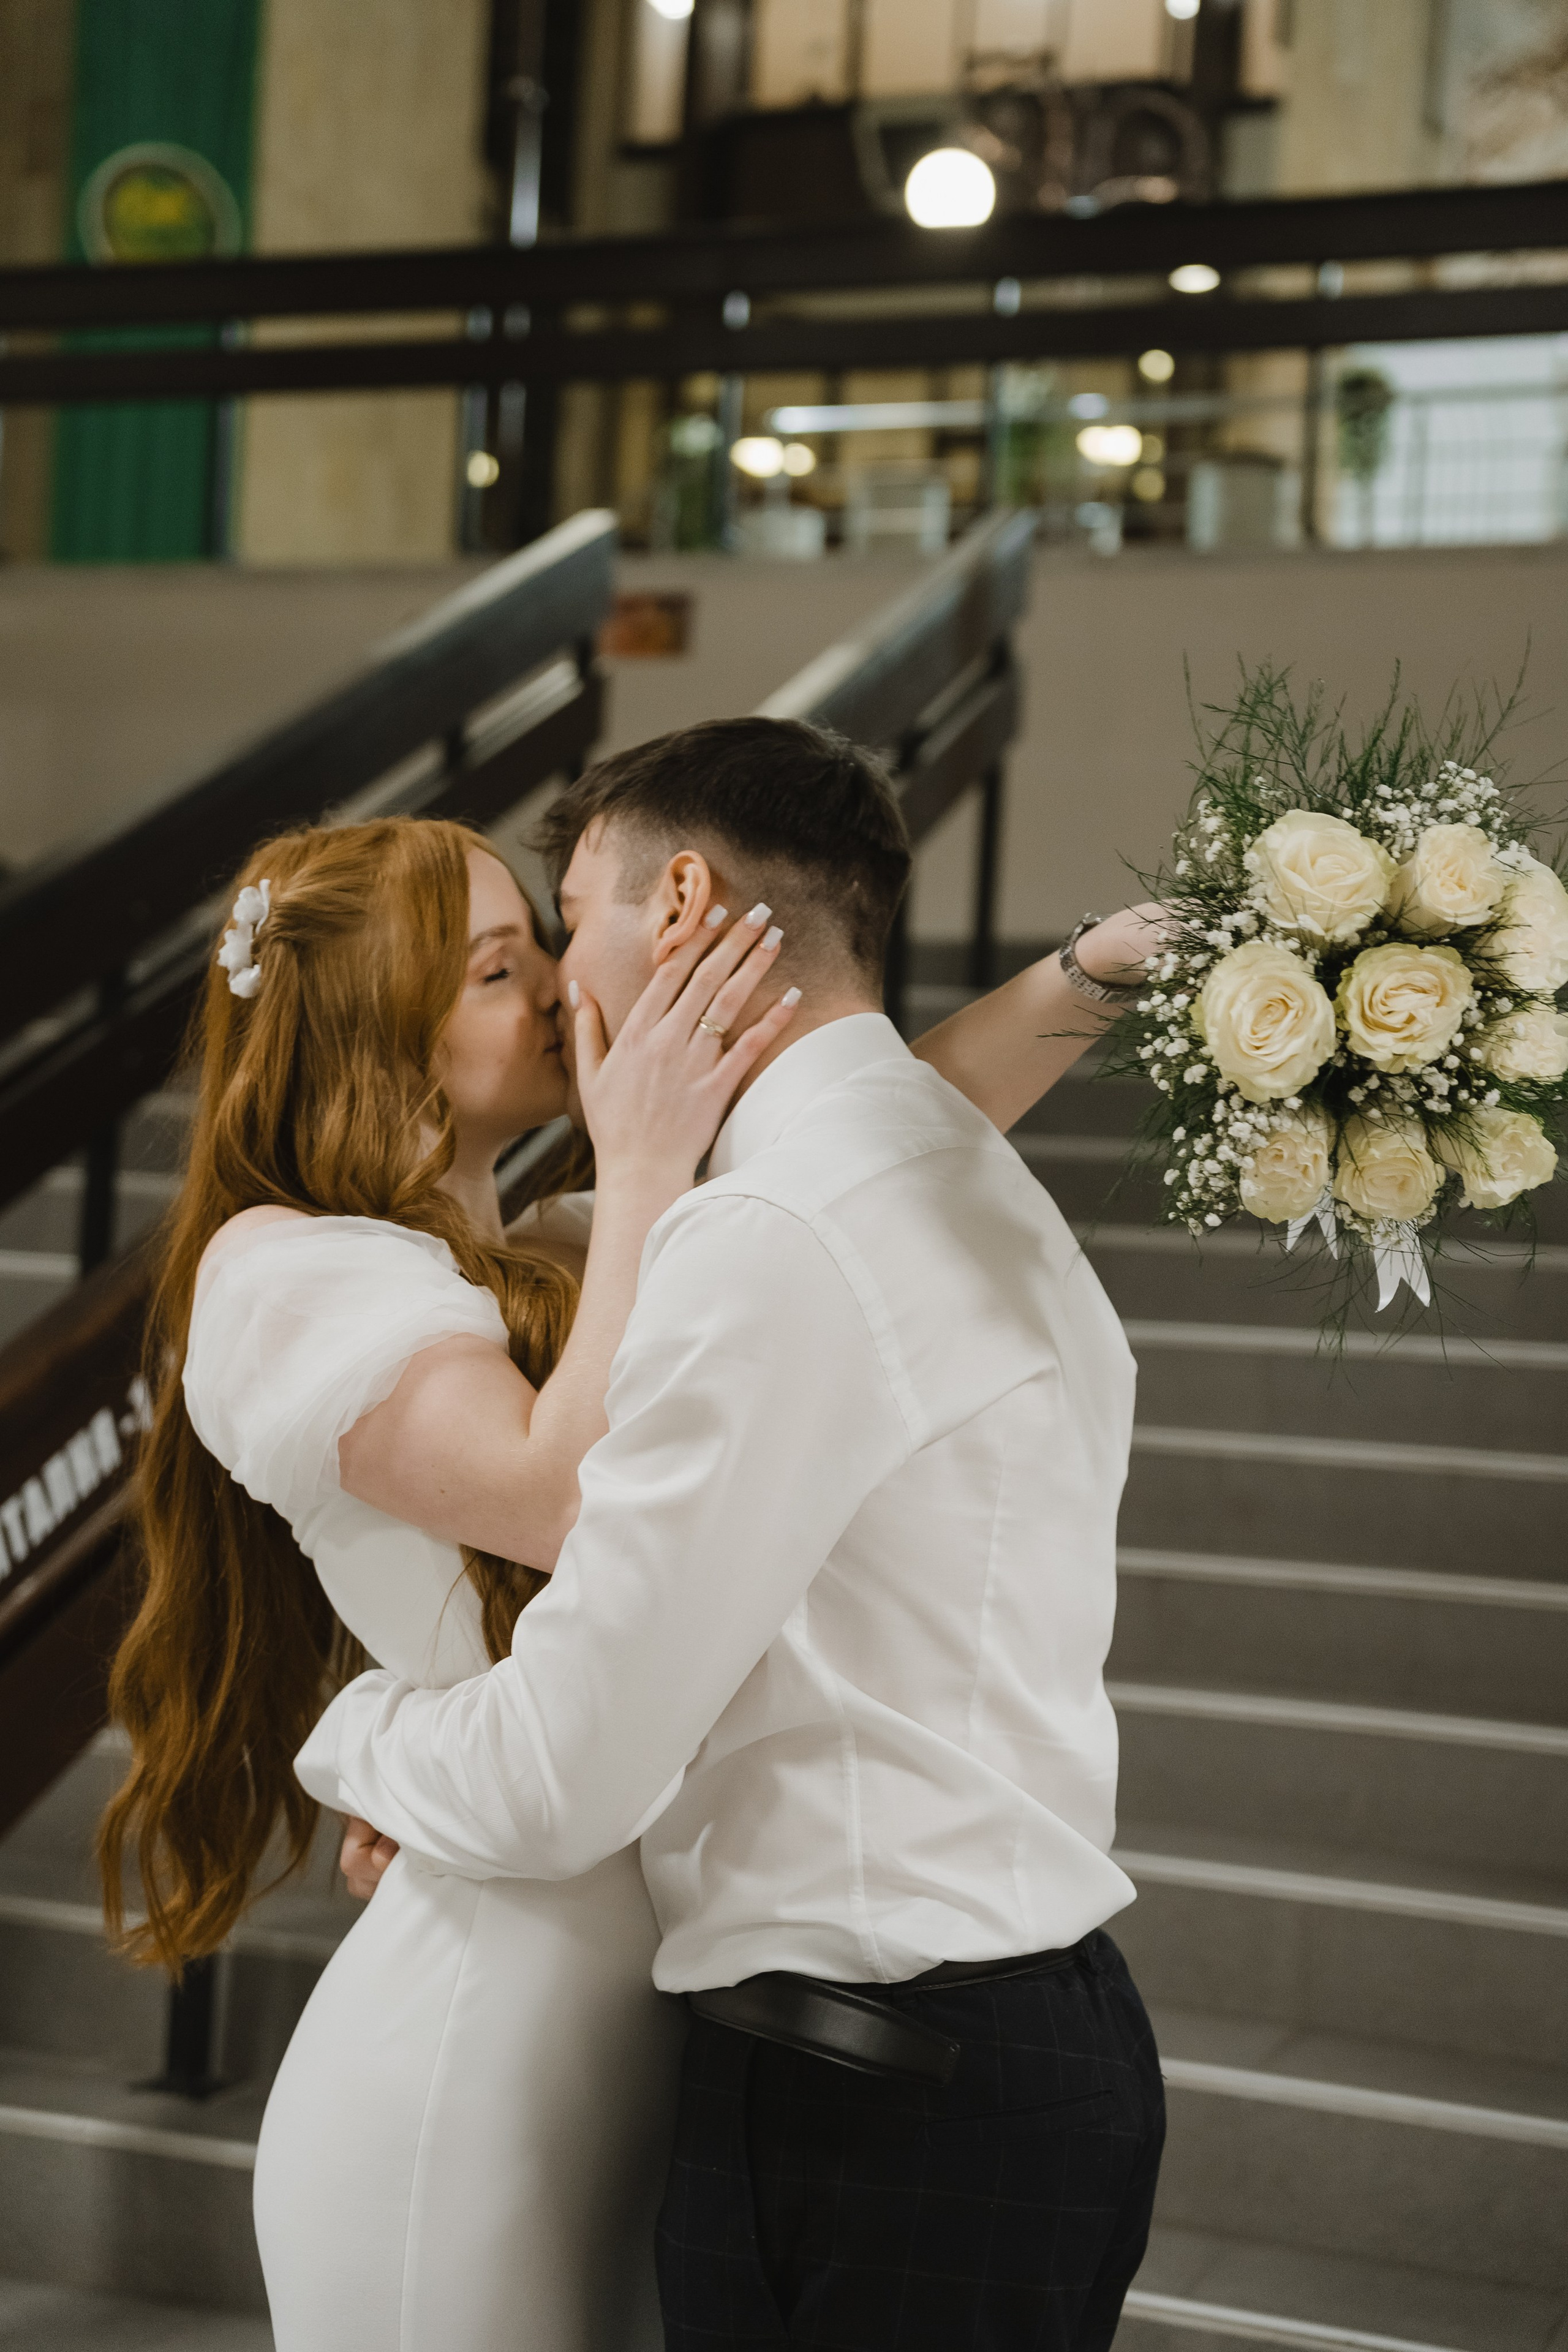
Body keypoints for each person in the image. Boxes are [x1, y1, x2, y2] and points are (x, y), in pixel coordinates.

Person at [299, 717, 1169, 2352]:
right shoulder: (942, 1169)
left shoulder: (771, 1230)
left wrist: (359, 1739)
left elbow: (566, 1771)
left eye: (570, 921)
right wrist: (1080, 975)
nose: (563, 979)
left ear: (684, 903)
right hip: (1010, 2046)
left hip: (877, 2098)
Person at [99, 813, 801, 2352]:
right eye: (498, 969)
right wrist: (642, 1161)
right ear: (377, 1029)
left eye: (541, 944)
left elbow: (869, 1152)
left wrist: (1096, 975)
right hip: (468, 2059)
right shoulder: (283, 1270)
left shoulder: (544, 1256)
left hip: (620, 2014)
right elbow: (560, 1502)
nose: (560, 984)